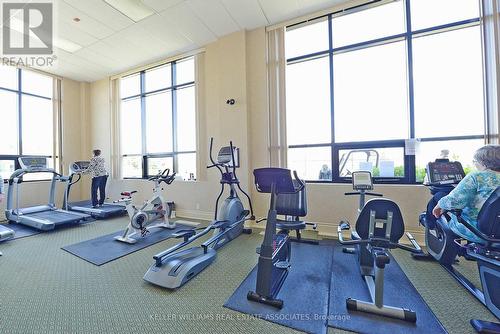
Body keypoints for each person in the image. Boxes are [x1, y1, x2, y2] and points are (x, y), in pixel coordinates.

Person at [431, 145, 500, 244]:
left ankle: (431, 225)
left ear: (483, 163)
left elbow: (455, 201)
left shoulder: (477, 176)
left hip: (477, 230)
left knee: (439, 196)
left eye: (475, 161)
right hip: (497, 231)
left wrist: (439, 205)